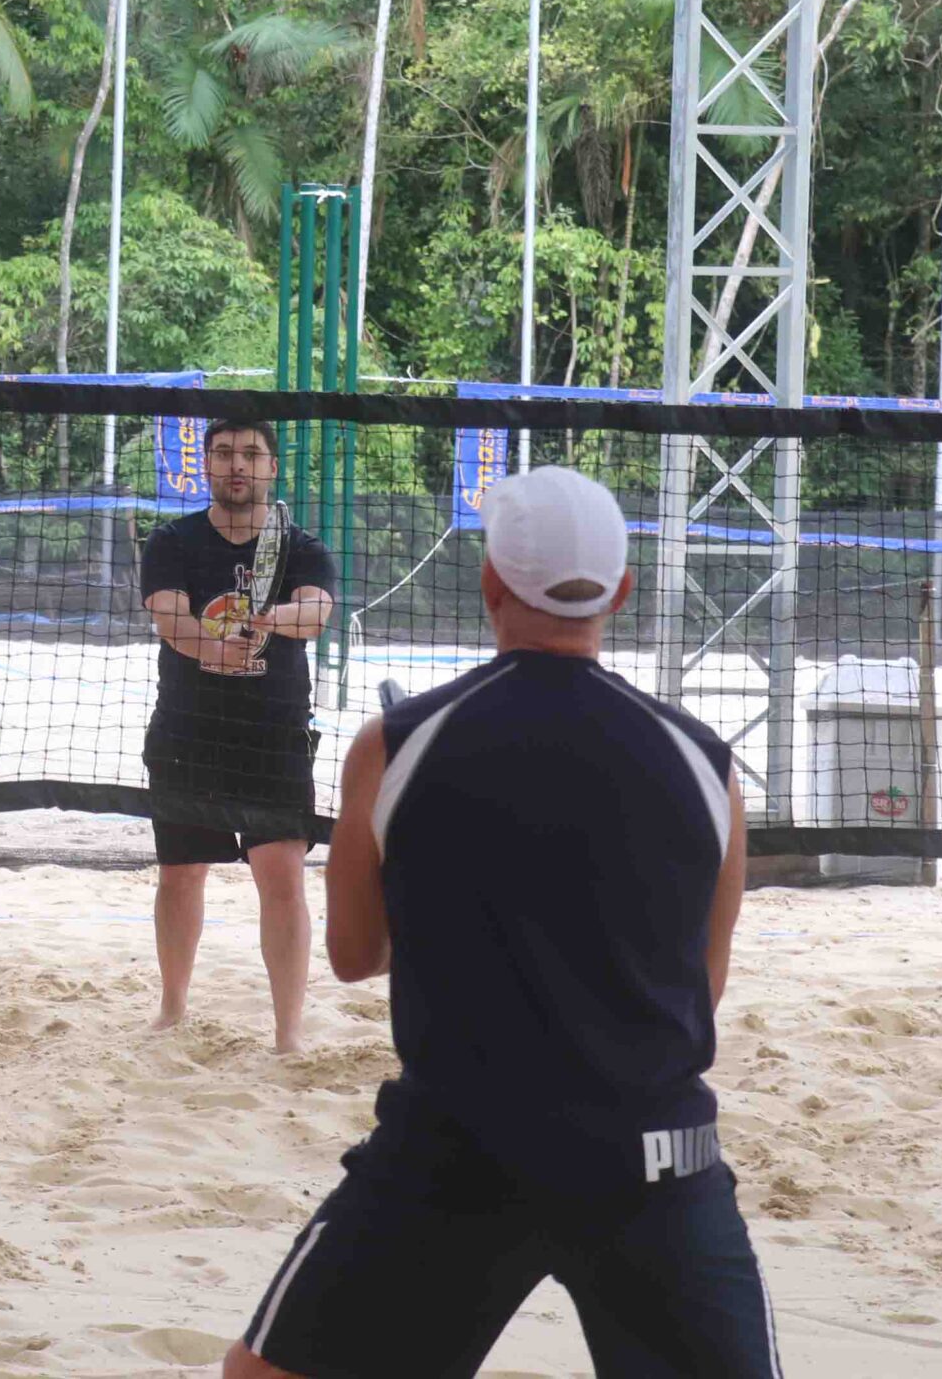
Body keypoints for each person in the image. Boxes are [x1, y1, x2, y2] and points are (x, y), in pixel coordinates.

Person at [222, 465, 772, 1379]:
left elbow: (355, 955)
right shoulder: (705, 762)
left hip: (460, 1142)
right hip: (652, 1155)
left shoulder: (398, 743)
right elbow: (699, 988)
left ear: (488, 585)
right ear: (622, 593)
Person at [140, 417, 339, 1054]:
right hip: (188, 730)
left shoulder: (303, 548)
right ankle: (173, 1009)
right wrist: (212, 650)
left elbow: (315, 612)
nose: (237, 465)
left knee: (281, 876)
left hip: (273, 731)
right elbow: (170, 618)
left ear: (271, 469)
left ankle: (288, 1035)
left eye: (251, 455)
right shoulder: (173, 541)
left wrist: (269, 618)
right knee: (180, 873)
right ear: (206, 463)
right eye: (224, 453)